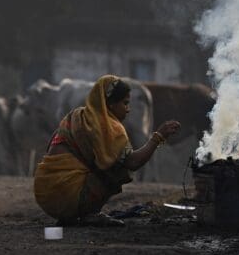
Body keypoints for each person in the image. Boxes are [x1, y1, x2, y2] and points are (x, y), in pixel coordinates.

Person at [33, 74, 180, 226]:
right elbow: (133, 163)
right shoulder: (111, 129)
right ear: (109, 105)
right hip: (70, 198)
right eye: (124, 103)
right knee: (117, 167)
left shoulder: (75, 115)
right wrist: (158, 137)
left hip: (45, 194)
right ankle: (90, 214)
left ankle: (70, 216)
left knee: (102, 161)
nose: (128, 109)